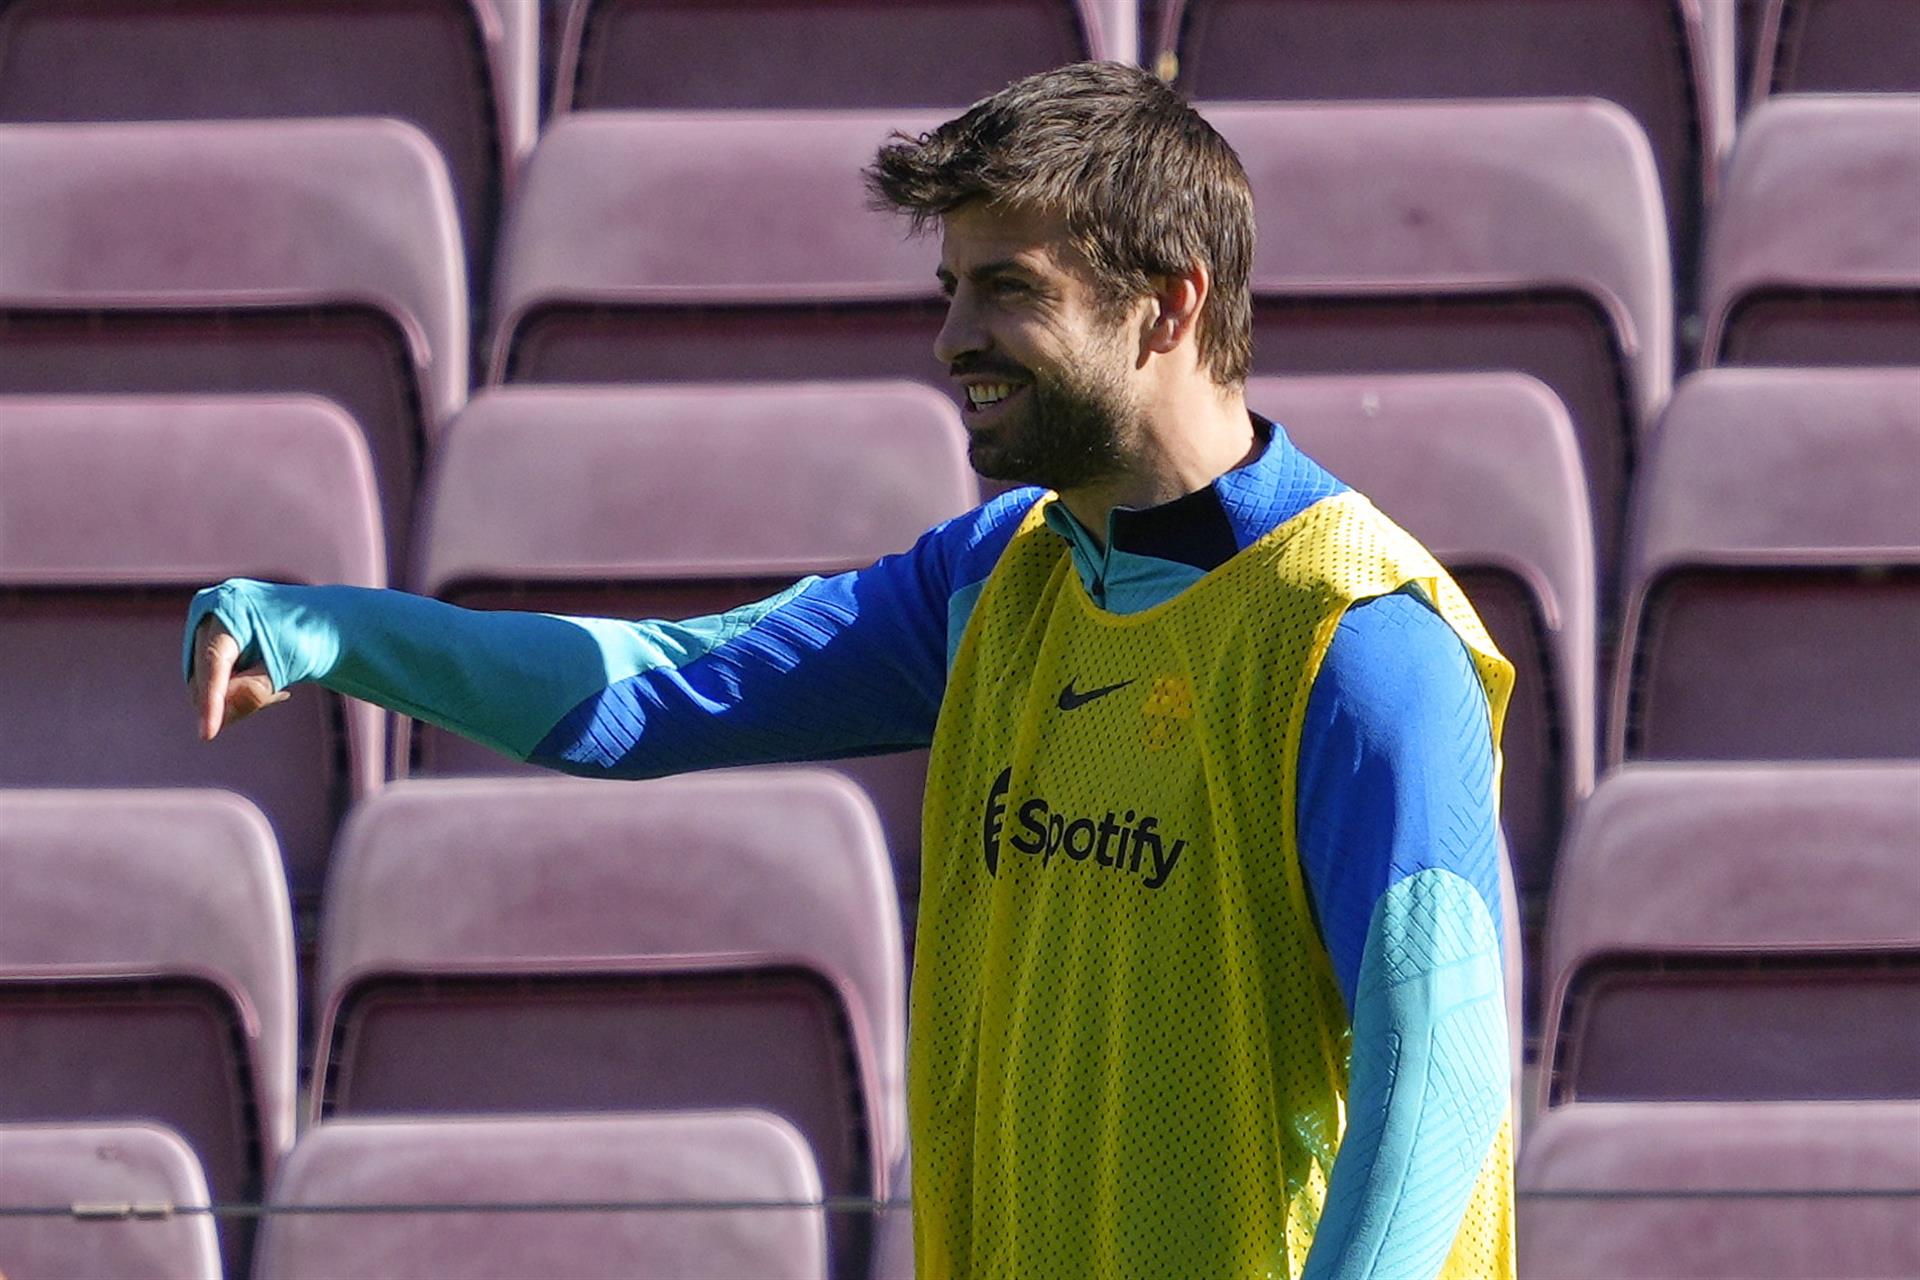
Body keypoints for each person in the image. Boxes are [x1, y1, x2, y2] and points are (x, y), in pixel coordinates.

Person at [185, 63, 1514, 1280]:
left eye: (1010, 290)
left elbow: (1438, 1083)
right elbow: (645, 694)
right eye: (951, 289)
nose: (951, 342)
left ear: (1172, 302)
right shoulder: (1001, 577)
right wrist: (334, 635)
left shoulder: (1362, 646)